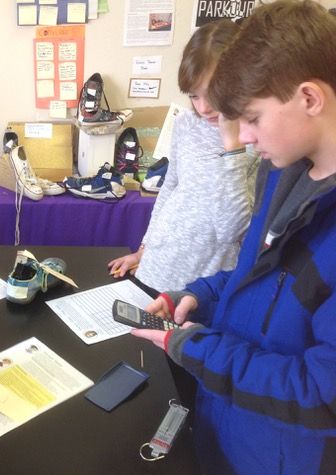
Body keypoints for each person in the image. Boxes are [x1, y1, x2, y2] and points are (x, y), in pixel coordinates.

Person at [131, 2, 336, 475]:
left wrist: (198, 349)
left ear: (309, 97)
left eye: (252, 118)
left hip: (278, 458)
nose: (240, 136)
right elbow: (255, 279)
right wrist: (197, 295)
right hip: (226, 427)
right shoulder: (281, 170)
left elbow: (320, 396)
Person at [108, 19, 259, 293]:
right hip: (158, 264)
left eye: (212, 92)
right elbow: (171, 187)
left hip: (203, 283)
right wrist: (145, 248)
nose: (204, 107)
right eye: (194, 96)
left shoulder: (256, 140)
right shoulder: (186, 124)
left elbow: (232, 231)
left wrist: (232, 144)